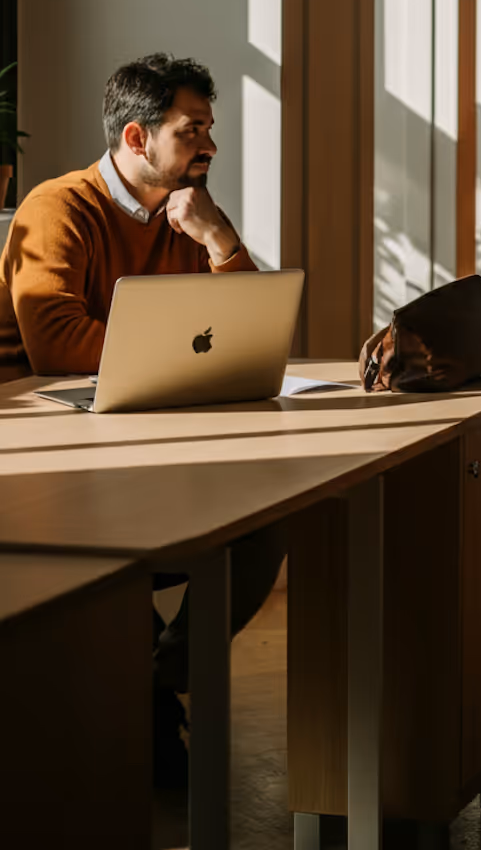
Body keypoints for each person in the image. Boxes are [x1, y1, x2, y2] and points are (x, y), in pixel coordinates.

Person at [0, 54, 287, 787]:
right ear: (136, 137)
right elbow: (57, 347)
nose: (209, 147)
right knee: (119, 546)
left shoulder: (186, 216)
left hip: (139, 430)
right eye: (193, 132)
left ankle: (156, 686)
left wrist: (220, 239)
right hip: (41, 449)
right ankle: (145, 717)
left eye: (209, 130)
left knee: (263, 521)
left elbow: (242, 330)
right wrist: (183, 353)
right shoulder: (58, 208)